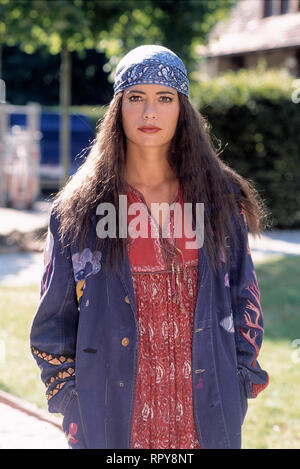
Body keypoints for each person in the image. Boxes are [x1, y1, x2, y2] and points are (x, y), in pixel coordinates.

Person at [30, 44, 270, 450]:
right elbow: (53, 319)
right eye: (135, 98)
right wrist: (71, 397)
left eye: (165, 98)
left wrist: (239, 379)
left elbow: (244, 296)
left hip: (205, 409)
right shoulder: (81, 209)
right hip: (109, 414)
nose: (149, 113)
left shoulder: (217, 200)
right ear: (117, 109)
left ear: (183, 110)